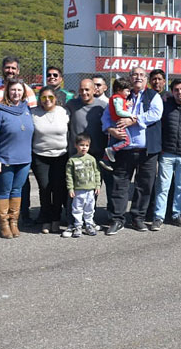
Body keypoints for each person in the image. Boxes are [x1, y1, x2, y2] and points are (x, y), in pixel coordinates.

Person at [101, 67, 163, 235]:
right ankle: (117, 219)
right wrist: (110, 129)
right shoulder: (120, 96)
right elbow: (106, 117)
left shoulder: (154, 96)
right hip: (124, 149)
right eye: (135, 74)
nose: (138, 77)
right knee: (120, 185)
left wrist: (133, 120)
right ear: (129, 78)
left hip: (147, 150)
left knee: (144, 185)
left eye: (142, 75)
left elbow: (156, 114)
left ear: (146, 79)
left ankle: (138, 218)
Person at [0, 79, 35, 239]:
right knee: (4, 191)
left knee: (17, 190)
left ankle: (14, 222)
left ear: (23, 93)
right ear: (7, 91)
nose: (16, 93)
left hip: (24, 159)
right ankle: (4, 224)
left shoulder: (26, 109)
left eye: (19, 90)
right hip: (6, 159)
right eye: (13, 90)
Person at [151, 79, 181, 230]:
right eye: (176, 89)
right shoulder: (165, 105)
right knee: (163, 186)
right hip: (167, 153)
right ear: (172, 91)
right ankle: (159, 217)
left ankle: (177, 214)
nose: (179, 92)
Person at [65, 78, 109, 211]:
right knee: (74, 189)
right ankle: (72, 221)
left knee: (92, 190)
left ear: (94, 90)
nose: (84, 92)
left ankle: (89, 220)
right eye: (81, 89)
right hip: (76, 155)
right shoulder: (71, 104)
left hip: (96, 155)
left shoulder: (102, 106)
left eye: (87, 89)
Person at [31, 86, 70, 234]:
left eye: (50, 97)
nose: (47, 100)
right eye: (43, 97)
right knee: (45, 188)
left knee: (59, 188)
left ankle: (56, 219)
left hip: (61, 156)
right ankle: (46, 220)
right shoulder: (33, 113)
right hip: (40, 156)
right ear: (39, 99)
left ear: (56, 98)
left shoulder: (64, 112)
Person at [63, 133, 101, 237]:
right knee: (77, 208)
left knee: (89, 208)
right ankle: (77, 226)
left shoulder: (91, 159)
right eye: (81, 145)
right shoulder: (72, 160)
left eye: (86, 145)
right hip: (78, 190)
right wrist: (70, 188)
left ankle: (89, 225)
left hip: (90, 189)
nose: (84, 147)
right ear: (75, 145)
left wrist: (97, 185)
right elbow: (69, 175)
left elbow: (97, 172)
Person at [102, 77, 137, 167]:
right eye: (127, 91)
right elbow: (119, 111)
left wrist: (126, 104)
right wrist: (130, 115)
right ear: (118, 89)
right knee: (127, 141)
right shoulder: (117, 99)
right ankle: (111, 150)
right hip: (119, 122)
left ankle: (106, 159)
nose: (129, 93)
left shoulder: (118, 99)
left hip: (115, 122)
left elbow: (118, 106)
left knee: (114, 140)